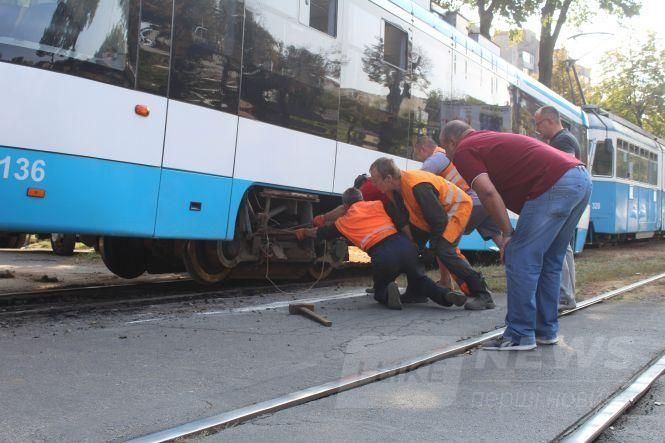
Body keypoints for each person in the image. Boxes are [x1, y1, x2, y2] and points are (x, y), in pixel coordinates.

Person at [440, 120, 592, 350]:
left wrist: (508, 234)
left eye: (446, 151)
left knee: (519, 256)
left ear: (452, 142)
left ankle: (519, 335)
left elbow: (488, 193)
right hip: (580, 178)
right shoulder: (488, 138)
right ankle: (545, 331)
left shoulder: (464, 149)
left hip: (555, 182)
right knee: (550, 260)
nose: (449, 158)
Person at [295, 187, 467, 310]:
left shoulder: (342, 222)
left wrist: (304, 232)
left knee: (379, 290)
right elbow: (400, 220)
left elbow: (321, 233)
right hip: (404, 245)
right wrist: (412, 242)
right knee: (422, 280)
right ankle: (445, 296)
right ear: (362, 199)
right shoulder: (378, 204)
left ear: (345, 206)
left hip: (383, 254)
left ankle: (387, 293)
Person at [369, 158, 495, 310]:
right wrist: (413, 243)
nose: (373, 184)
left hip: (454, 209)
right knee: (410, 248)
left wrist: (433, 248)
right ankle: (416, 292)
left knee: (444, 251)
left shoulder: (418, 186)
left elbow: (439, 220)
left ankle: (483, 294)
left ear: (388, 178)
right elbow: (407, 217)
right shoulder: (394, 189)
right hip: (430, 217)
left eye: (375, 180)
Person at [413, 135, 503, 305]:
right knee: (500, 240)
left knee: (443, 241)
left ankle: (452, 282)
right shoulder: (446, 156)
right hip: (484, 201)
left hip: (469, 203)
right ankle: (522, 275)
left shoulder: (434, 160)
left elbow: (417, 182)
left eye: (418, 154)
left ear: (422, 149)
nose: (420, 158)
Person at [534, 106, 581, 311]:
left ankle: (563, 296)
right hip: (569, 196)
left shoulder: (563, 141)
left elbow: (563, 169)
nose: (537, 129)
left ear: (550, 121)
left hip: (562, 196)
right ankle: (567, 295)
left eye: (538, 124)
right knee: (564, 246)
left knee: (555, 246)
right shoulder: (564, 139)